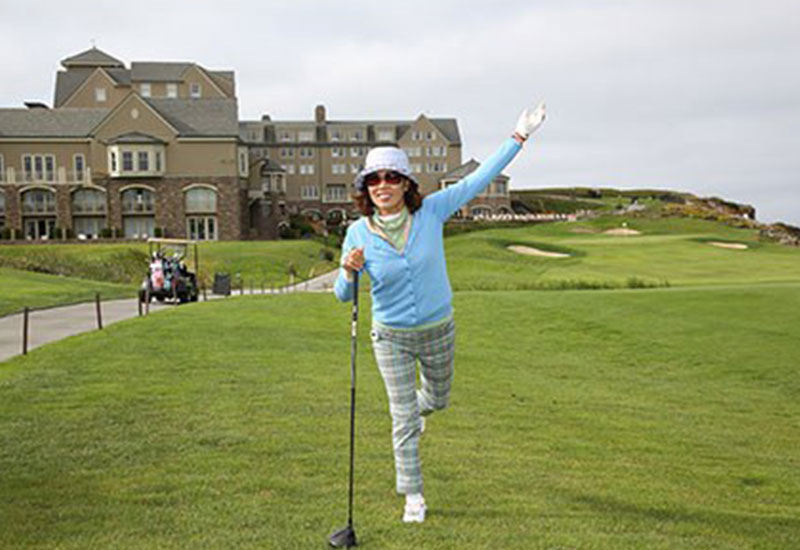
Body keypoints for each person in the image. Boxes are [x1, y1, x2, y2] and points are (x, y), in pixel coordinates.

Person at [334, 103, 546, 523]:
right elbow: (343, 295)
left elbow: (478, 179)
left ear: (405, 183)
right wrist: (347, 270)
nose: (382, 185)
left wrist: (519, 135)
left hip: (437, 330)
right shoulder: (357, 233)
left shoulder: (431, 211)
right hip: (389, 336)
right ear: (365, 187)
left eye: (391, 177)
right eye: (374, 179)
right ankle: (412, 495)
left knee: (437, 399)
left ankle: (419, 409)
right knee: (402, 419)